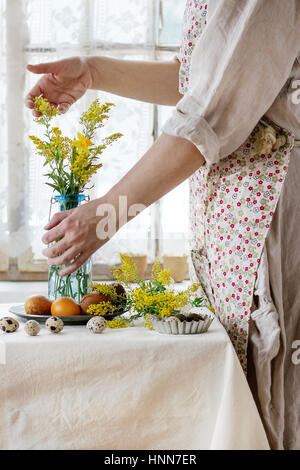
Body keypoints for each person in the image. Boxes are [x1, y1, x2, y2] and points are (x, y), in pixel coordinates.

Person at [25, 0, 300, 450]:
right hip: (232, 219)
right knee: (237, 401)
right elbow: (202, 78)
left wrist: (109, 212)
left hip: (270, 211)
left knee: (272, 404)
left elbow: (213, 108)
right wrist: (93, 72)